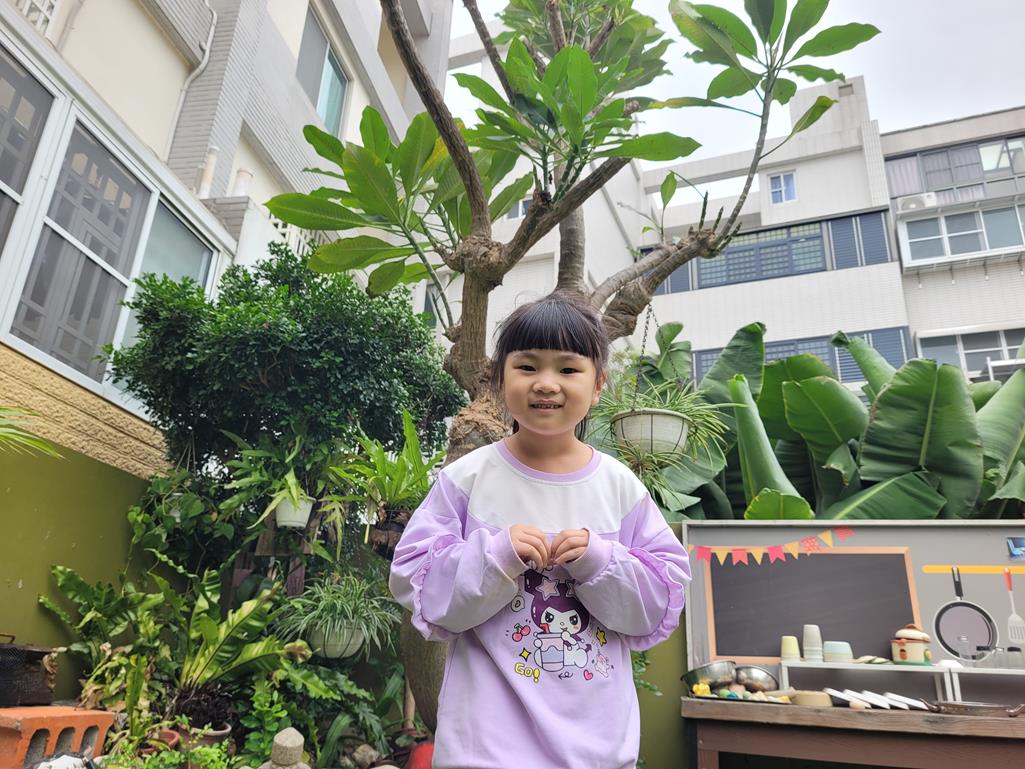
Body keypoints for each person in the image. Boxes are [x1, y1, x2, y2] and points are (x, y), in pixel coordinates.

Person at [389, 292, 691, 769]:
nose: (546, 383)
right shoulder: (468, 479)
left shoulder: (620, 488)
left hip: (596, 749)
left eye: (568, 369)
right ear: (499, 378)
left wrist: (601, 562)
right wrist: (495, 558)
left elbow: (658, 601)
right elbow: (416, 582)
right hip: (484, 749)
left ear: (598, 384)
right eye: (527, 366)